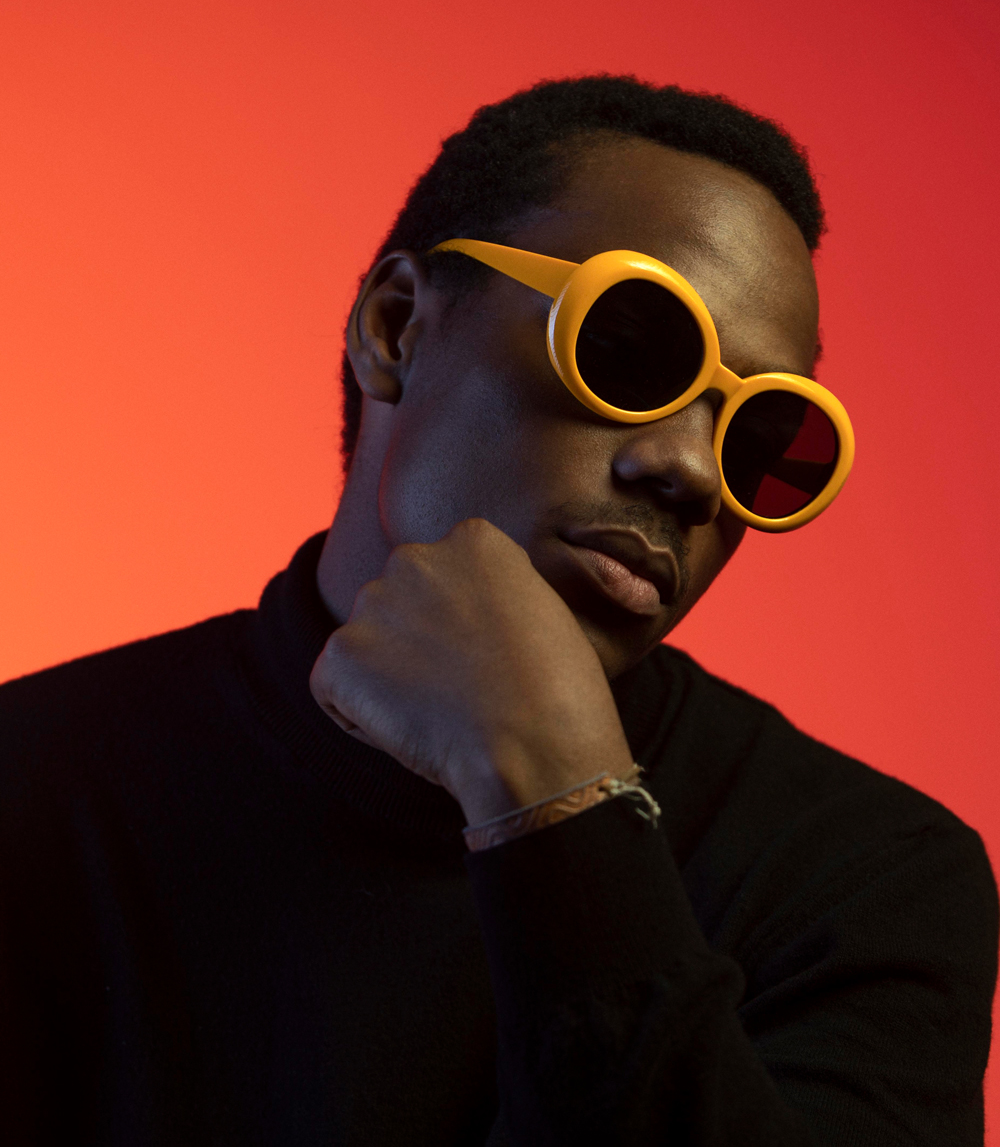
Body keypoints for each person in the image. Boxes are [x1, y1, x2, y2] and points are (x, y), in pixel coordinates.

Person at [0, 76, 995, 1146]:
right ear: (396, 328)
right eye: (628, 350)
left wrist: (561, 800)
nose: (692, 473)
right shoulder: (34, 783)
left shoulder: (866, 877)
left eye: (759, 440)